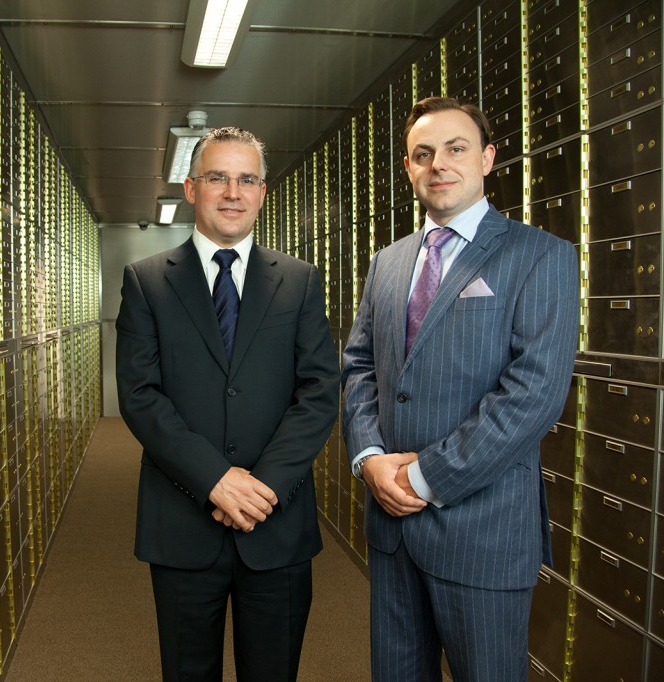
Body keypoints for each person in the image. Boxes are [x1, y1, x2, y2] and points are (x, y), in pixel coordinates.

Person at [341, 97, 579, 681]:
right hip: (392, 528)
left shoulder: (539, 256)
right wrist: (369, 457)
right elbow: (359, 366)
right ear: (408, 167)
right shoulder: (388, 262)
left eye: (456, 148)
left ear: (487, 158)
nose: (439, 164)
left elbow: (533, 394)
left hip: (482, 530)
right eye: (423, 154)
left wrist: (424, 478)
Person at [115, 126, 340, 681]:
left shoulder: (299, 281)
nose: (233, 192)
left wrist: (262, 488)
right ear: (192, 188)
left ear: (262, 192)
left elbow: (318, 392)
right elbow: (140, 396)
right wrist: (215, 479)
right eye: (218, 178)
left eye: (246, 180)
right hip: (182, 524)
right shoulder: (147, 282)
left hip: (276, 522)